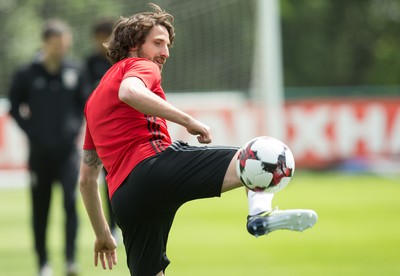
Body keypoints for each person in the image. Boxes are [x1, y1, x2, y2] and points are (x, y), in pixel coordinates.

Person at [78, 3, 318, 276]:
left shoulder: (93, 101)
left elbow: (86, 180)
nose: (165, 53)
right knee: (262, 154)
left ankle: (259, 215)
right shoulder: (139, 65)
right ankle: (259, 215)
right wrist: (189, 121)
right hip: (154, 168)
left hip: (125, 199)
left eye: (167, 45)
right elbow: (130, 92)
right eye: (158, 43)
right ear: (134, 44)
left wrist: (102, 235)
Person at [8, 19, 89, 276]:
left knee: (69, 203)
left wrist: (74, 128)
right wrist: (33, 132)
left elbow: (84, 105)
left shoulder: (76, 70)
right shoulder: (26, 73)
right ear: (45, 43)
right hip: (40, 155)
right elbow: (14, 106)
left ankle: (70, 260)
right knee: (40, 209)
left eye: (65, 44)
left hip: (67, 155)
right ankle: (43, 263)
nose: (61, 49)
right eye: (56, 44)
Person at [84, 17, 118, 239]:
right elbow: (84, 96)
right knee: (100, 178)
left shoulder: (122, 60)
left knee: (118, 178)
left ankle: (120, 222)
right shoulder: (89, 64)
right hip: (99, 131)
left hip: (122, 128)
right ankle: (110, 228)